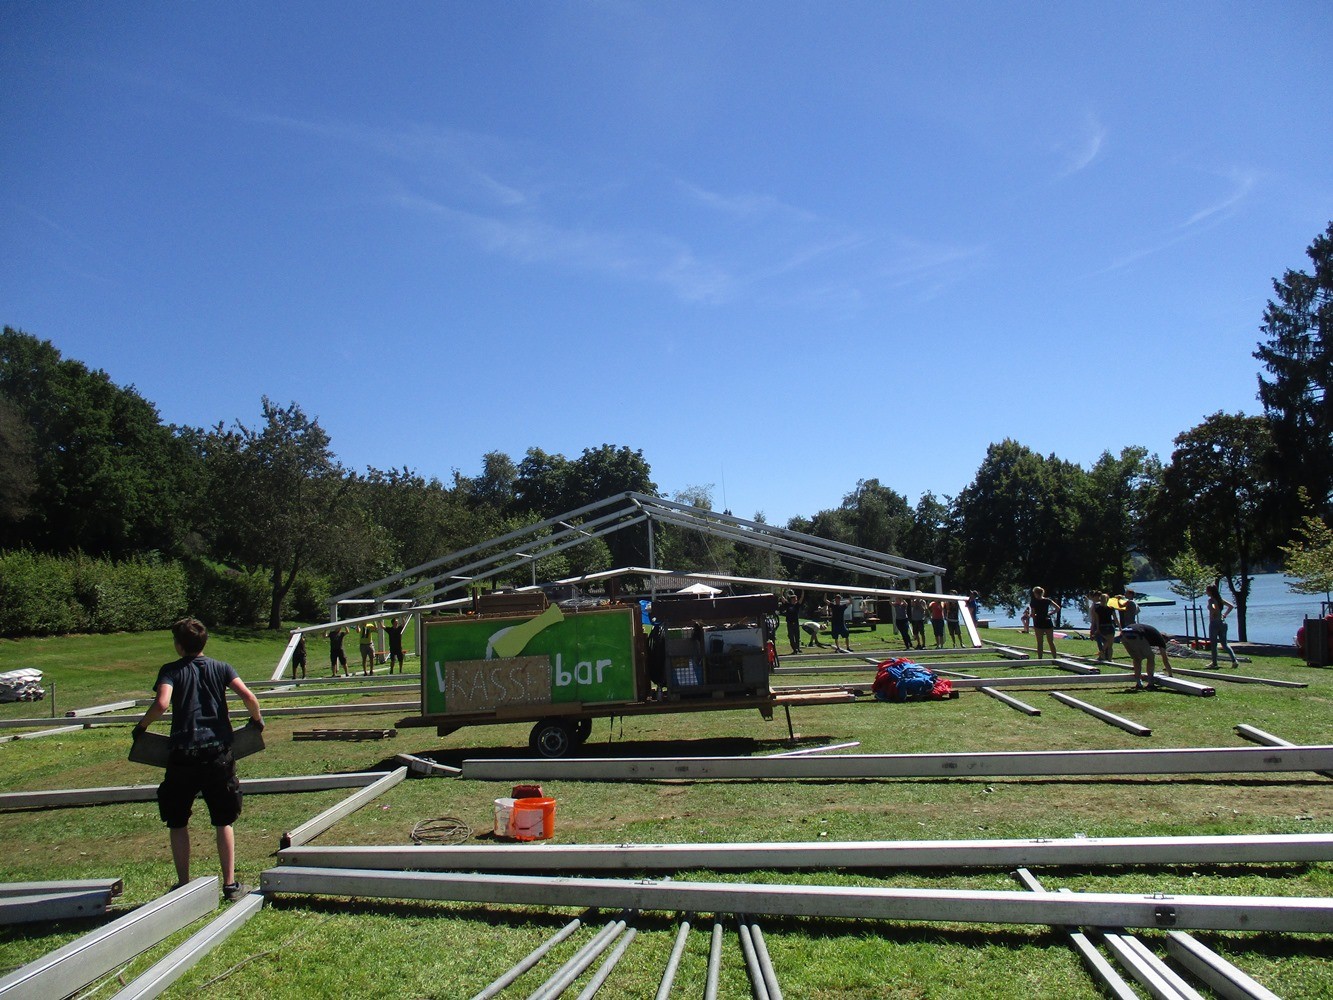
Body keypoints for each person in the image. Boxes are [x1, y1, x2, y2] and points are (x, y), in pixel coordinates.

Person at [132, 617, 264, 901]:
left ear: (179, 646)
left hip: (183, 755)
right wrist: (257, 720)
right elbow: (248, 696)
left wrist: (142, 727)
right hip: (218, 754)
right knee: (223, 819)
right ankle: (230, 885)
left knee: (177, 819)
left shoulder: (171, 671)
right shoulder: (222, 667)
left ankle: (183, 885)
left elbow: (162, 703)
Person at [1121, 622, 1174, 690]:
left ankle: (1139, 683)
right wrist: (1170, 675)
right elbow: (1165, 659)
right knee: (1150, 656)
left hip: (1123, 634)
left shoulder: (1151, 633)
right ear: (1165, 639)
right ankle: (1150, 684)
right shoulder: (1160, 639)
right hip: (1137, 633)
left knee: (1137, 658)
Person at [1206, 583, 1238, 667]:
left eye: (1207, 590)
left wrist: (1214, 612)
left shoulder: (1211, 600)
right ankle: (1234, 660)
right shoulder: (1220, 599)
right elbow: (1231, 606)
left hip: (1214, 624)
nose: (1206, 592)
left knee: (1213, 644)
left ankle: (1214, 663)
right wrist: (1224, 614)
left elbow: (1214, 607)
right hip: (1223, 623)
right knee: (1224, 644)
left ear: (1210, 591)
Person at [1024, 586, 1059, 660]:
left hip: (1038, 622)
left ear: (1035, 593)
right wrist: (1050, 613)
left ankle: (1040, 659)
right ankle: (1055, 657)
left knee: (1040, 642)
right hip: (1047, 621)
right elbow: (1057, 608)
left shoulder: (1033, 602)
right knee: (1051, 641)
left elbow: (1033, 614)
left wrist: (1030, 616)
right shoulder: (1047, 600)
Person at [1091, 592, 1116, 662]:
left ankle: (1101, 654)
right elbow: (1116, 619)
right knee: (1110, 645)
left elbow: (1097, 620)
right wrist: (1120, 627)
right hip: (1110, 627)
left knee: (1103, 642)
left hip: (1102, 627)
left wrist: (1097, 629)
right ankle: (1110, 659)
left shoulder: (1097, 609)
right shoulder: (1111, 608)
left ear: (1100, 599)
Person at [779, 590, 804, 655]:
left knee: (797, 636)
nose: (796, 600)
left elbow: (801, 598)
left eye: (796, 599)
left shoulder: (797, 605)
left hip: (796, 623)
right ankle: (794, 649)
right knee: (791, 637)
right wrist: (781, 591)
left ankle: (798, 648)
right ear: (792, 599)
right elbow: (782, 597)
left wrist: (802, 591)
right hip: (790, 623)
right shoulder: (788, 605)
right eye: (795, 599)